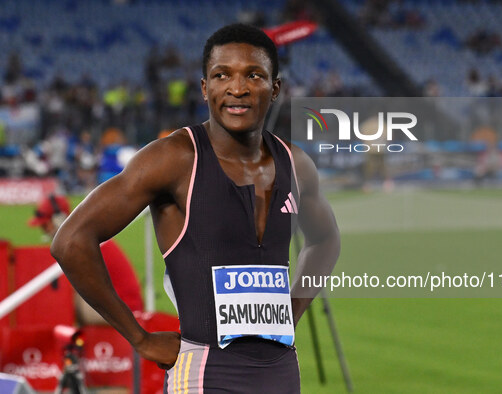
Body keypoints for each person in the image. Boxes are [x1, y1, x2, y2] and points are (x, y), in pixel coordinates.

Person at [51, 23, 340, 393]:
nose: (237, 88)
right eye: (222, 75)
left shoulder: (295, 164)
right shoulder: (174, 158)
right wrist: (138, 338)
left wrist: (293, 309)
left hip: (282, 371)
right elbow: (71, 240)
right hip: (206, 372)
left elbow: (326, 240)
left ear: (276, 88)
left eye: (254, 75)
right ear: (205, 89)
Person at [29, 194, 143, 325]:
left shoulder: (77, 242)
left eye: (45, 225)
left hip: (127, 308)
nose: (43, 230)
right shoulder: (82, 235)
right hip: (122, 304)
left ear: (58, 220)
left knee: (64, 299)